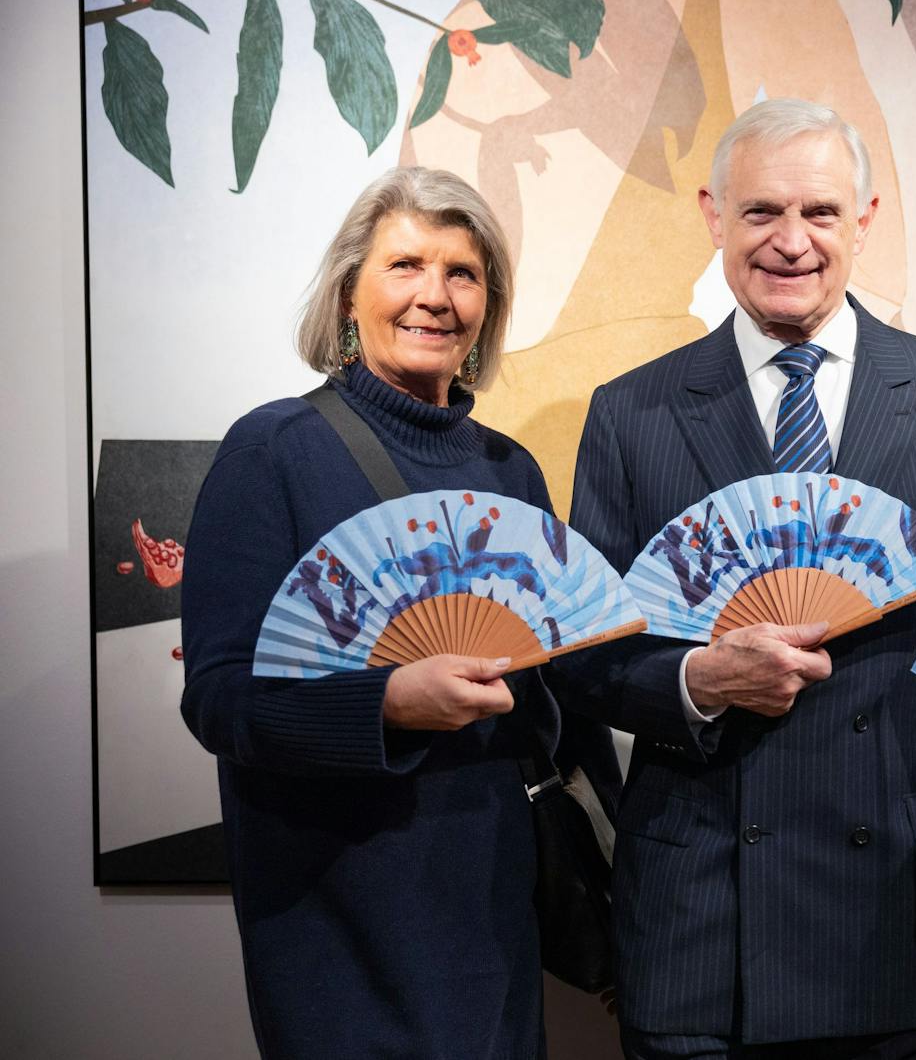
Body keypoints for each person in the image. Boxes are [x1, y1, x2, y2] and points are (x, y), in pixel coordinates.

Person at [557, 98, 916, 1058]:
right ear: (713, 216)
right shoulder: (632, 411)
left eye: (819, 213)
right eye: (761, 212)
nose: (791, 242)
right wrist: (695, 682)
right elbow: (581, 659)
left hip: (897, 909)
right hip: (701, 927)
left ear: (866, 220)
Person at [180, 167, 617, 1059]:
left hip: (496, 900)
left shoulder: (510, 471)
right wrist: (386, 704)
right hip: (337, 912)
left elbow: (552, 699)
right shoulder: (272, 452)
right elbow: (219, 698)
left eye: (463, 273)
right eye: (405, 265)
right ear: (350, 292)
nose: (434, 296)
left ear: (488, 306)